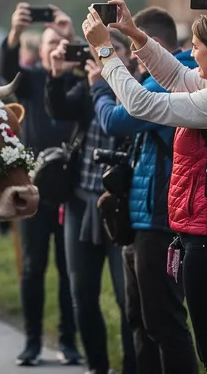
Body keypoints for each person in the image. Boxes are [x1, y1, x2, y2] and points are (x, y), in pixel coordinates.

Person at [83, 1, 207, 374]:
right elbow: (174, 77)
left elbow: (140, 103)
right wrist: (136, 35)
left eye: (195, 46)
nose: (189, 53)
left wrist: (105, 51)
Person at [92, 6, 199, 374]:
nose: (136, 60)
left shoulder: (172, 76)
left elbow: (120, 119)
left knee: (164, 323)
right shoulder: (165, 73)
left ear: (154, 45)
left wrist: (98, 87)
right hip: (142, 217)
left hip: (160, 219)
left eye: (137, 50)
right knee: (141, 320)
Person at [46, 30, 137, 374]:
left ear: (129, 57)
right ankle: (97, 366)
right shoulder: (88, 85)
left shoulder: (139, 88)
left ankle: (132, 366)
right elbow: (60, 108)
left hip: (122, 207)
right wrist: (56, 72)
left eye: (114, 54)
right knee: (81, 294)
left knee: (128, 297)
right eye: (102, 54)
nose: (107, 61)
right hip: (81, 202)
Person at [1, 2, 83, 367]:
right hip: (35, 189)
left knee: (69, 271)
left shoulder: (80, 80)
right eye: (49, 43)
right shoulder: (32, 79)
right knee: (33, 268)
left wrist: (70, 37)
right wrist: (15, 35)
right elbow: (6, 72)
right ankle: (32, 342)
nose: (55, 49)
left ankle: (68, 341)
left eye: (61, 43)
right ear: (39, 50)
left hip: (72, 190)